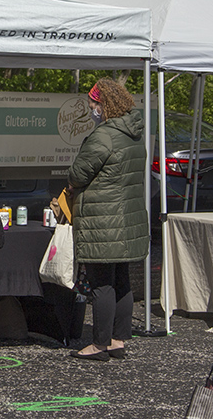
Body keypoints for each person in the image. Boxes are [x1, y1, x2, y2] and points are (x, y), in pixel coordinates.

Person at [67, 79, 148, 361]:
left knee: (101, 282)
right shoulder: (135, 133)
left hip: (103, 220)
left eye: (93, 102)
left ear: (104, 105)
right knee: (122, 280)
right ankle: (117, 339)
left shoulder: (104, 136)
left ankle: (99, 344)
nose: (90, 107)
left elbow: (78, 174)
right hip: (128, 219)